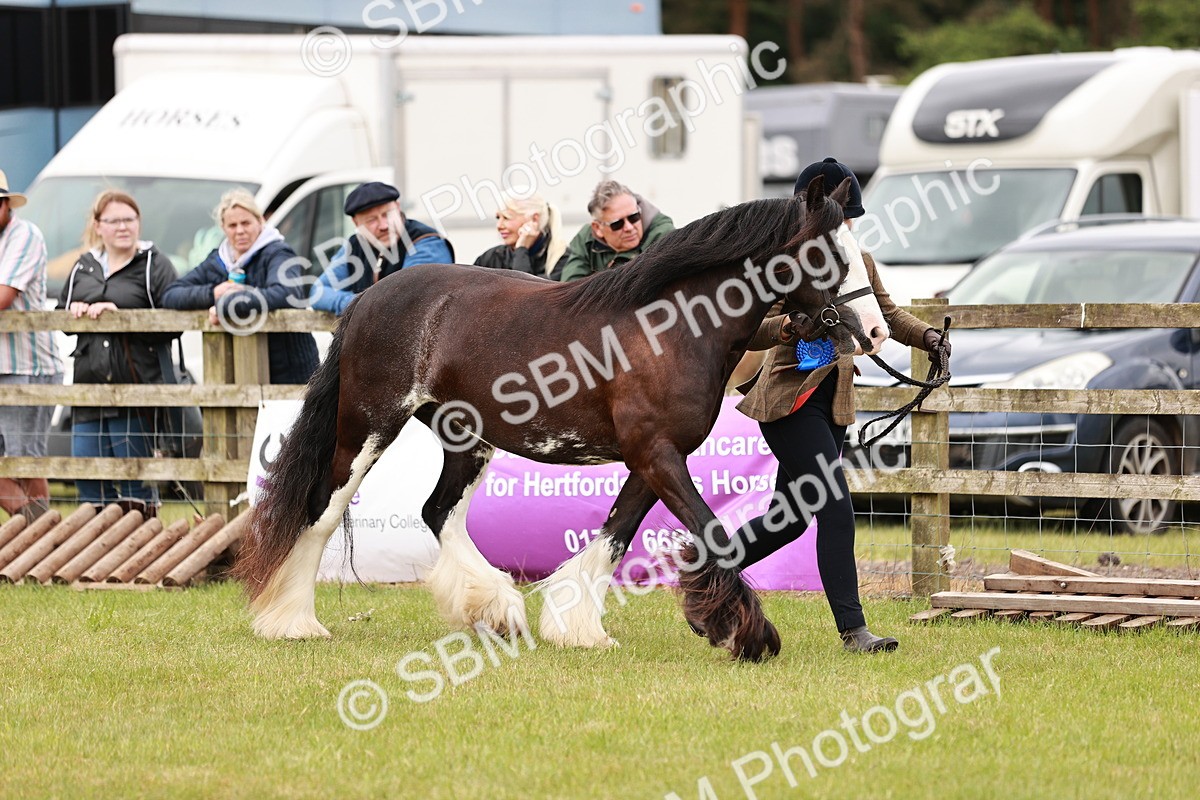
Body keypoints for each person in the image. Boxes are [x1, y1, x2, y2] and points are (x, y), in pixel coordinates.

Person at [732, 157, 952, 653]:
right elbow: (752, 329)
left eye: (850, 217)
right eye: (841, 216)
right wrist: (789, 327)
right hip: (788, 402)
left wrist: (929, 337)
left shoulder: (857, 258)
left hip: (833, 403)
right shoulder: (783, 261)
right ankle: (854, 631)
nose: (848, 226)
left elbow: (887, 314)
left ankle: (711, 562)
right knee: (836, 508)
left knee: (788, 519)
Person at [59, 190, 178, 512]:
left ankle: (145, 551)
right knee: (87, 474)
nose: (123, 227)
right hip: (88, 389)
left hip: (136, 388)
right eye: (114, 220)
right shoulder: (83, 266)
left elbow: (176, 322)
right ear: (98, 226)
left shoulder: (155, 264)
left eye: (130, 219)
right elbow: (62, 320)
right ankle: (93, 556)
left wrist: (123, 315)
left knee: (134, 480)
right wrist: (78, 311)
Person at [162, 188, 318, 384]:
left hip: (291, 372)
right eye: (232, 225)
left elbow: (286, 293)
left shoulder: (278, 253)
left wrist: (226, 304)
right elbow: (170, 295)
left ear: (260, 221)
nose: (240, 231)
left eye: (246, 223)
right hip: (239, 375)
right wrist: (213, 293)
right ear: (223, 228)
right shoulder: (218, 259)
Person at [0, 169, 65, 522]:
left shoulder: (24, 235)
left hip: (26, 366)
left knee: (25, 461)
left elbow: (3, 296)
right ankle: (36, 532)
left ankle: (39, 536)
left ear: (6, 204)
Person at [309, 182, 454, 315]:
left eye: (387, 214)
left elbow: (405, 299)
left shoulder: (426, 241)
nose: (384, 225)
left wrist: (357, 307)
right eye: (371, 220)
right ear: (356, 223)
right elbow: (318, 292)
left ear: (397, 207)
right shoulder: (354, 245)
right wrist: (353, 304)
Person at [557, 180, 675, 282]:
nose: (629, 228)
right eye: (617, 224)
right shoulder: (585, 239)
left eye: (634, 217)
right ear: (598, 228)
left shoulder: (663, 235)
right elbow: (570, 287)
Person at [474, 193, 566, 278]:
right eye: (498, 217)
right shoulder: (491, 258)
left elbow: (525, 293)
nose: (499, 226)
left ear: (534, 219)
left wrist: (521, 249)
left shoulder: (562, 260)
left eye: (506, 217)